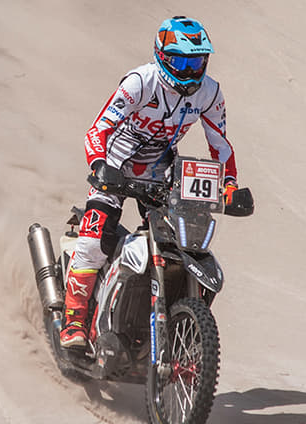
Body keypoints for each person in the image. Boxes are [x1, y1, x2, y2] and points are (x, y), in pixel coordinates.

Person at [61, 16, 240, 348]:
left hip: (160, 172)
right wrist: (100, 165)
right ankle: (73, 320)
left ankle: (165, 323)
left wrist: (229, 184)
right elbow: (98, 130)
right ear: (162, 56)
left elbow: (220, 144)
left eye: (196, 61)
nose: (190, 71)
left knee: (180, 246)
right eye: (181, 62)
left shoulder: (210, 92)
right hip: (115, 166)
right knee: (92, 243)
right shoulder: (140, 83)